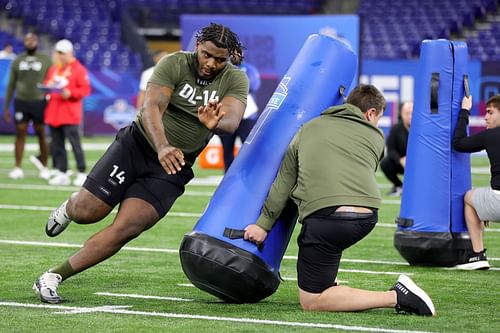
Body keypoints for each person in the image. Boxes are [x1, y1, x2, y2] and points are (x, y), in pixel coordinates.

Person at [33, 23, 248, 304]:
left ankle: (53, 276)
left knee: (128, 227)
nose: (211, 63)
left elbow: (232, 120)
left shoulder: (234, 78)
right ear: (198, 46)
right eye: (207, 55)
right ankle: (70, 207)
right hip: (137, 146)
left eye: (220, 59)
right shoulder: (175, 63)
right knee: (88, 212)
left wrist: (215, 123)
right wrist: (162, 146)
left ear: (229, 56)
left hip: (175, 165)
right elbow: (152, 107)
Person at [244, 85, 435, 316]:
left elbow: (284, 181)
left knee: (312, 301)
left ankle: (397, 296)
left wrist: (263, 224)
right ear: (371, 113)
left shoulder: (309, 128)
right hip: (367, 217)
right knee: (331, 245)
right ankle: (331, 282)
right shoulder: (376, 137)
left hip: (328, 220)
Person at [453, 94, 500, 270]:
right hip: (495, 198)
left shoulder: (491, 135)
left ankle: (477, 254)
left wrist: (464, 111)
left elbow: (458, 144)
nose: (486, 117)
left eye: (490, 112)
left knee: (468, 198)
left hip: (497, 200)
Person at [3, 33, 51, 180]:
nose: (30, 42)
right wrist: (6, 107)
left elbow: (51, 81)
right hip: (21, 100)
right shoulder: (18, 59)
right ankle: (17, 167)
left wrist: (49, 101)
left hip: (38, 101)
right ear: (24, 42)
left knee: (41, 133)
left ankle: (44, 166)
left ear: (37, 42)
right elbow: (11, 84)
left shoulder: (45, 59)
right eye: (27, 40)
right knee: (20, 132)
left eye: (32, 40)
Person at [43, 39, 90, 186]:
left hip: (69, 113)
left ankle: (81, 172)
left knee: (75, 144)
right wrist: (47, 87)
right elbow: (47, 85)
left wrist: (70, 93)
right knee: (57, 145)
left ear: (70, 53)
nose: (60, 56)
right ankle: (62, 172)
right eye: (58, 53)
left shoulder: (79, 69)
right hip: (54, 113)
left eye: (62, 53)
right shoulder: (54, 69)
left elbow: (85, 90)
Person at [219, 52, 260, 172]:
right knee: (227, 149)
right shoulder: (222, 68)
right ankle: (227, 178)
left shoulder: (249, 69)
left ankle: (250, 174)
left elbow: (254, 85)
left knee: (248, 148)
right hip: (226, 115)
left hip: (247, 116)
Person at [380, 101, 413, 196]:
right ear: (402, 114)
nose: (410, 116)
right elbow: (390, 149)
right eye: (407, 113)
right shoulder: (396, 129)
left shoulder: (423, 129)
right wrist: (400, 160)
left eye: (412, 113)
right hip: (402, 164)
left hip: (418, 164)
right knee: (385, 163)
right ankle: (399, 186)